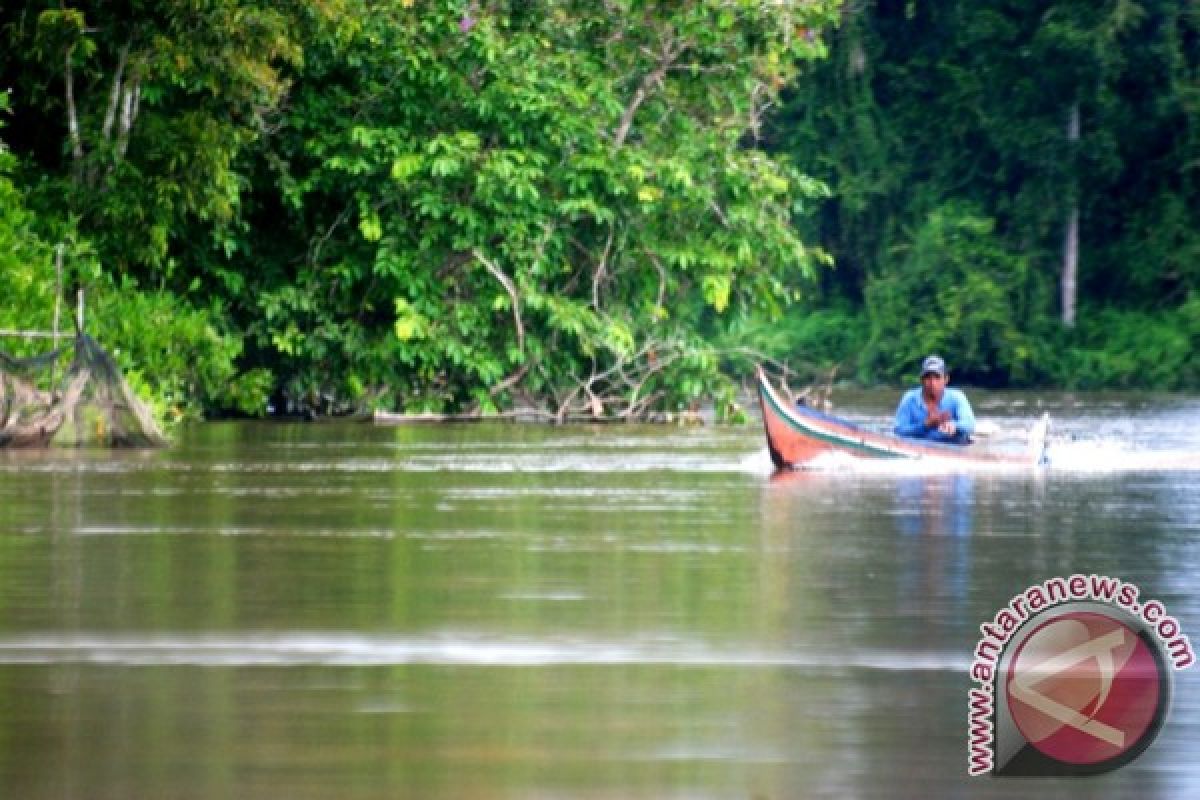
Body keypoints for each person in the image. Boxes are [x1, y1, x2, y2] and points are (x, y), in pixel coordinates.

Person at [894, 355, 975, 444]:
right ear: (922, 380)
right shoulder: (909, 398)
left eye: (937, 377)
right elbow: (899, 430)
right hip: (919, 448)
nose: (932, 383)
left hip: (952, 448)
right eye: (928, 377)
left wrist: (953, 426)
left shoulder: (957, 397)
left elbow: (970, 424)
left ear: (946, 379)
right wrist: (926, 425)